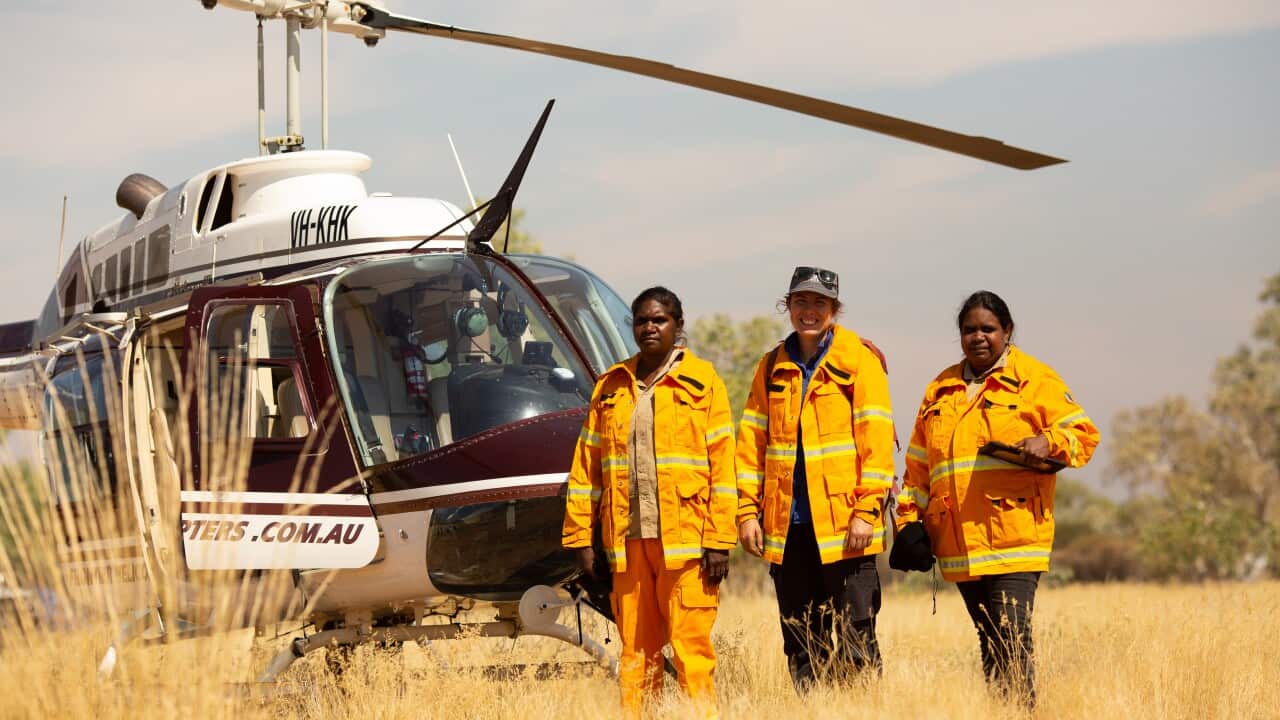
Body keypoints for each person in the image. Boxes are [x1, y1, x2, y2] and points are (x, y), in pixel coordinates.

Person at [895, 290, 1100, 707]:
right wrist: (908, 524)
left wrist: (1047, 440)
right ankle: (1003, 711)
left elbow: (1084, 435)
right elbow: (918, 467)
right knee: (991, 638)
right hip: (959, 543)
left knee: (1010, 635)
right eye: (969, 330)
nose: (978, 337)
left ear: (1007, 331)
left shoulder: (1034, 379)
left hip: (1015, 536)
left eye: (988, 329)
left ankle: (1020, 712)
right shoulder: (940, 388)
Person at [562, 286, 736, 719]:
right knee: (636, 653)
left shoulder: (704, 382)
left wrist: (719, 540)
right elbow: (587, 469)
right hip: (628, 545)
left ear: (678, 324)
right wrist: (582, 539)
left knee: (691, 649)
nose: (649, 328)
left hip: (687, 546)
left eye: (659, 320)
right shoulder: (610, 386)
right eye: (641, 320)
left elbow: (724, 467)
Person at [736, 266, 896, 690]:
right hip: (788, 529)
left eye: (819, 304)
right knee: (801, 637)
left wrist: (868, 511)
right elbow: (751, 445)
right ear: (788, 306)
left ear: (834, 310)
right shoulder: (770, 367)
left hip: (847, 527)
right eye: (801, 302)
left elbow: (876, 443)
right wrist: (747, 512)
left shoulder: (859, 360)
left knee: (856, 634)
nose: (809, 311)